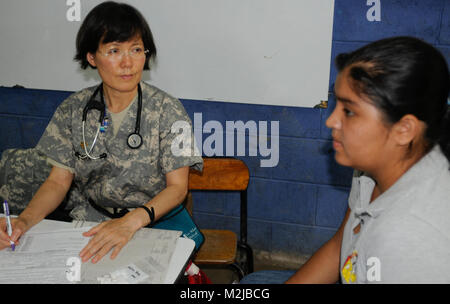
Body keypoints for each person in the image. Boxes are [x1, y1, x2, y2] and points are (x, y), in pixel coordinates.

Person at [0, 1, 203, 264]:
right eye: (114, 50)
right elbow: (57, 182)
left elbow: (178, 188)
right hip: (91, 220)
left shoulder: (168, 110)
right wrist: (23, 221)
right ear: (92, 57)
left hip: (151, 222)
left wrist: (130, 223)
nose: (128, 63)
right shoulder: (73, 109)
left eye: (136, 50)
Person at [241, 36, 450, 284]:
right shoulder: (374, 166)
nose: (331, 121)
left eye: (349, 111)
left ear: (404, 129)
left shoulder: (409, 238)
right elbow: (341, 245)